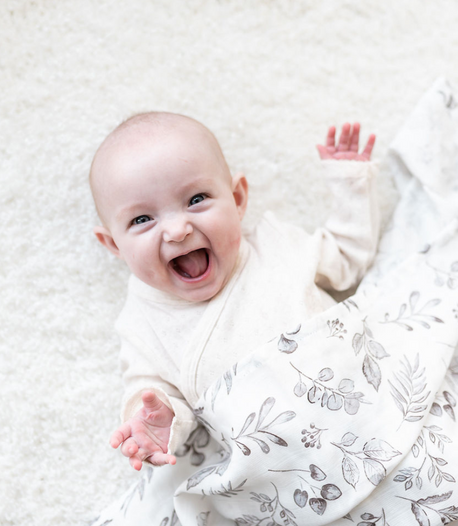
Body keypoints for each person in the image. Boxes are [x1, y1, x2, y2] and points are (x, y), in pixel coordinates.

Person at [89, 112, 380, 472]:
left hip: (373, 405)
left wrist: (351, 186)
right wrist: (156, 420)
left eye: (196, 199)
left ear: (238, 198)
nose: (178, 230)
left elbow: (347, 258)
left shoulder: (276, 245)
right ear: (113, 244)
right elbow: (150, 390)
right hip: (289, 469)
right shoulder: (141, 323)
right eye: (142, 219)